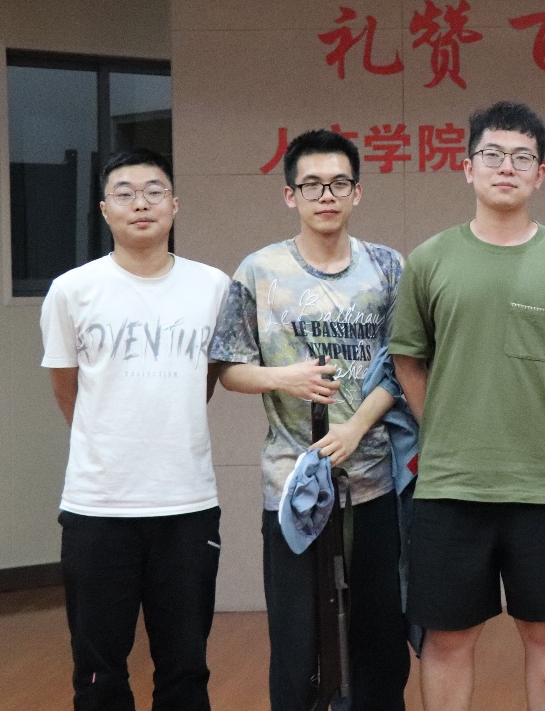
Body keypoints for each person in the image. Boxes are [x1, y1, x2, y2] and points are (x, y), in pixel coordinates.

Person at [388, 101, 545, 711]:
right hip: (451, 483)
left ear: (541, 173)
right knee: (448, 636)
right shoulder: (430, 258)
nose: (505, 167)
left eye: (521, 157)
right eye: (492, 155)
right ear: (467, 168)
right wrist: (443, 425)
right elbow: (407, 359)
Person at [209, 129, 410, 710]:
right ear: (289, 195)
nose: (326, 195)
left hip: (373, 480)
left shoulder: (387, 266)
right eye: (312, 185)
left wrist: (355, 428)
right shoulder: (259, 270)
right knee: (298, 644)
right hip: (291, 483)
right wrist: (285, 377)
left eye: (339, 184)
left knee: (380, 641)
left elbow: (403, 366)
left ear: (357, 192)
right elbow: (229, 369)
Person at [41, 148, 229, 710]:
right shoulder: (72, 290)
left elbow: (209, 378)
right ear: (104, 209)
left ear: (175, 204)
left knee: (186, 670)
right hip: (98, 507)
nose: (140, 203)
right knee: (98, 674)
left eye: (153, 191)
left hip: (187, 504)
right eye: (124, 193)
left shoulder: (212, 286)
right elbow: (66, 389)